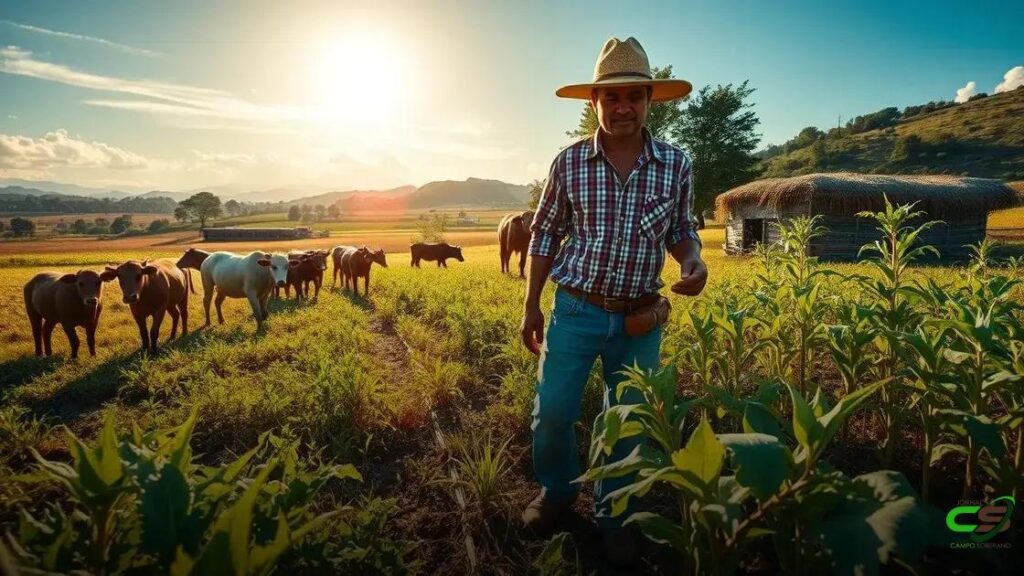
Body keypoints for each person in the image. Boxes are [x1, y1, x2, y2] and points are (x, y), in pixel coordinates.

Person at [519, 36, 708, 565]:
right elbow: (544, 234)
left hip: (641, 318)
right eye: (611, 97)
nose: (623, 106)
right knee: (553, 414)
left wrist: (692, 259)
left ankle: (616, 514)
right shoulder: (570, 162)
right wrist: (532, 305)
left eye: (634, 96)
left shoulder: (676, 164)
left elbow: (680, 229)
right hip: (575, 309)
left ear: (650, 101)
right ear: (594, 104)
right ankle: (558, 494)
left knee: (627, 420)